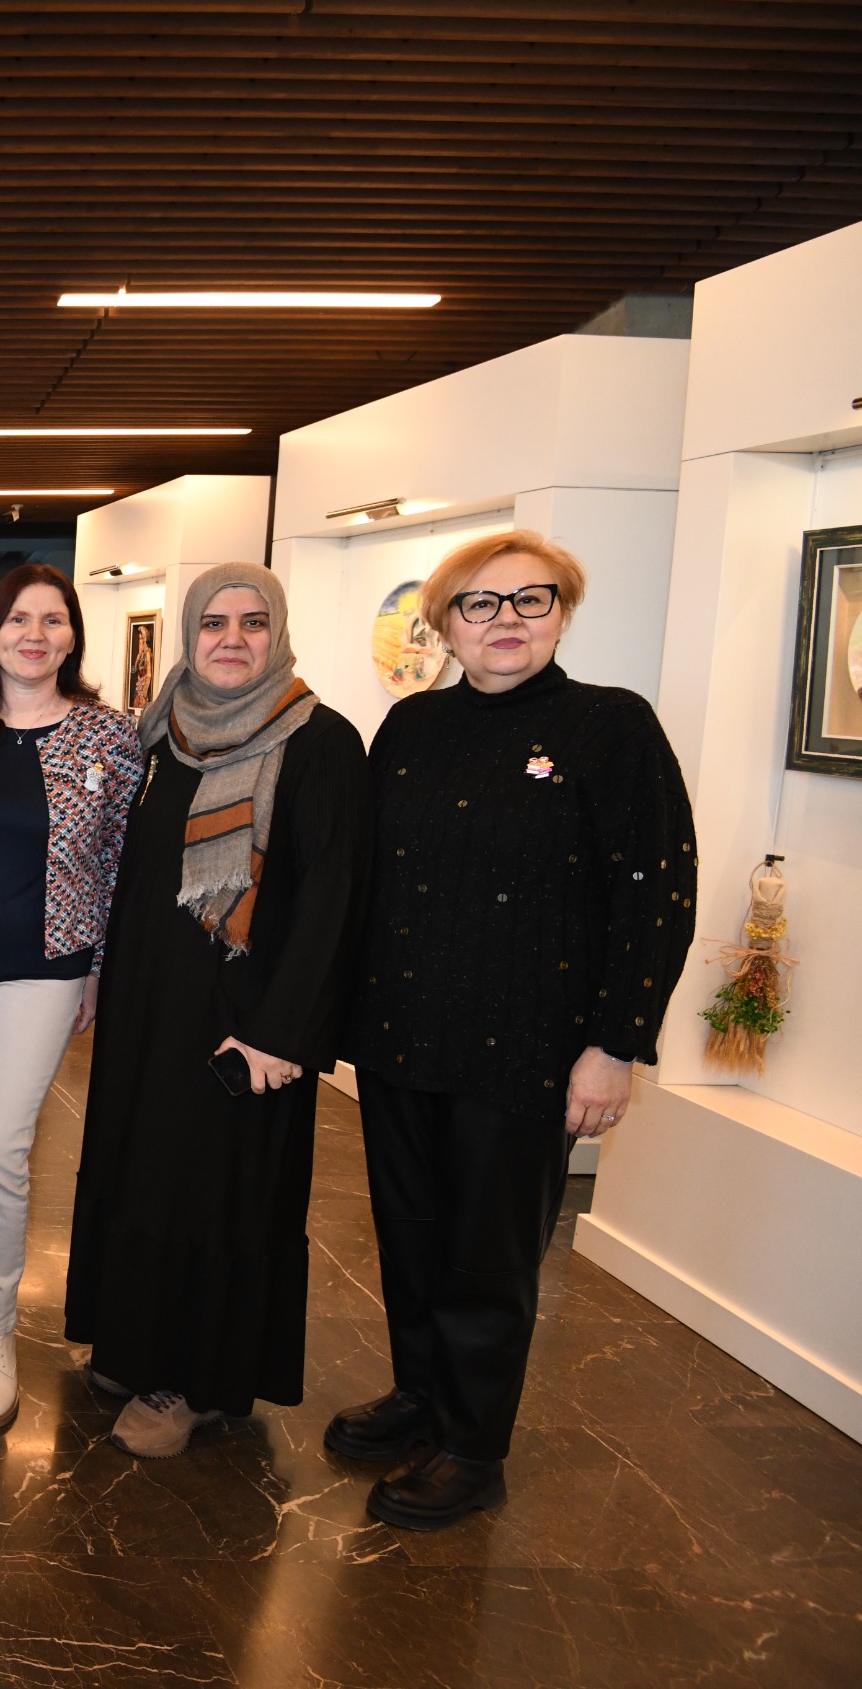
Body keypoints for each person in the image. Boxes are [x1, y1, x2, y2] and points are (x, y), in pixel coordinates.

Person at [333, 529, 695, 1530]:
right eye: (480, 603)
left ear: (561, 613)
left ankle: (471, 1445)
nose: (505, 621)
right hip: (404, 1034)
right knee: (410, 1235)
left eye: (531, 599)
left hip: (528, 1047)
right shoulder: (411, 725)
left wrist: (615, 1044)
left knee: (487, 1259)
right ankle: (420, 1395)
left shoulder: (610, 726)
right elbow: (369, 876)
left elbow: (655, 893)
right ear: (445, 625)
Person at [63, 563, 370, 1459]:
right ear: (190, 634)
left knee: (215, 1195)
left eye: (253, 622)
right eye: (213, 623)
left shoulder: (320, 743)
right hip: (149, 1012)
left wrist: (282, 1032)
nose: (232, 640)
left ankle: (192, 1381)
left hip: (245, 1025)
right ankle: (131, 1344)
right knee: (140, 1173)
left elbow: (336, 901)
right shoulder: (161, 736)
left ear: (279, 633)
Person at [0, 565, 142, 1428]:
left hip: (45, 967)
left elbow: (119, 862)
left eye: (53, 620)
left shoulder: (109, 736)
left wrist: (99, 968)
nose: (35, 634)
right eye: (18, 619)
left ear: (73, 635)